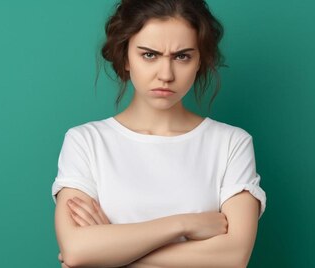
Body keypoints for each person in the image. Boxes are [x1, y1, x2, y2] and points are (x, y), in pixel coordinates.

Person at [51, 0, 267, 267]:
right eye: (149, 55)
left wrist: (112, 254)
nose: (166, 74)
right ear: (125, 56)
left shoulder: (231, 143)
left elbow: (233, 257)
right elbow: (77, 249)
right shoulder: (86, 141)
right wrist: (184, 224)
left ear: (200, 60)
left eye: (182, 56)